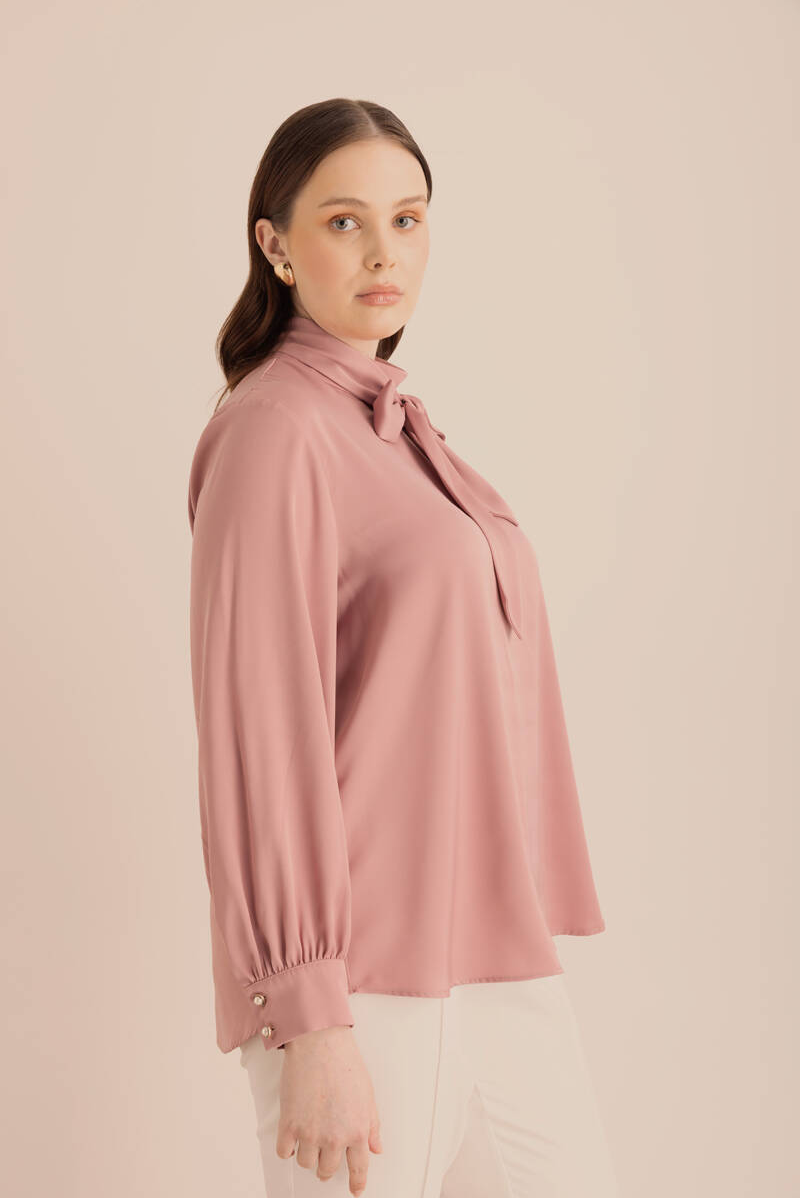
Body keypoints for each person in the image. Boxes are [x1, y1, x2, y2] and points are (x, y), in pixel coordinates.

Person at [187, 97, 621, 1198]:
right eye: (344, 221)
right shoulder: (274, 431)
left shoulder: (391, 423)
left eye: (408, 218)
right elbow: (261, 734)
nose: (385, 251)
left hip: (493, 956)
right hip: (363, 981)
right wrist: (310, 1016)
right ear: (276, 245)